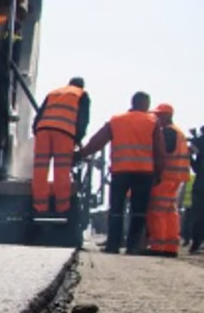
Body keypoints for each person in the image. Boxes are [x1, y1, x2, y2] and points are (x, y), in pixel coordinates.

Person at [75, 91, 165, 254]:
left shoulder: (116, 120)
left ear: (132, 102)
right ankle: (133, 247)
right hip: (144, 173)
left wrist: (81, 154)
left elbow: (97, 141)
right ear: (145, 104)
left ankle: (113, 246)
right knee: (138, 212)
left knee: (116, 210)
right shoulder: (153, 121)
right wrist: (159, 172)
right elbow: (159, 150)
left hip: (120, 171)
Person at [31, 77, 90, 213]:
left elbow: (40, 114)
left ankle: (39, 207)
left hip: (43, 131)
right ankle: (62, 208)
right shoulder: (81, 94)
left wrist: (37, 130)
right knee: (61, 171)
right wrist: (77, 139)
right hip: (64, 133)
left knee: (40, 170)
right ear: (82, 86)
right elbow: (83, 120)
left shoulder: (54, 92)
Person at [144, 104, 189, 256]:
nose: (156, 118)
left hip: (165, 177)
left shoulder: (168, 132)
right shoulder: (178, 132)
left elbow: (164, 153)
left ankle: (158, 246)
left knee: (157, 211)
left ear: (166, 116)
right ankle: (170, 246)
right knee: (170, 212)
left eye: (158, 115)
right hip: (175, 178)